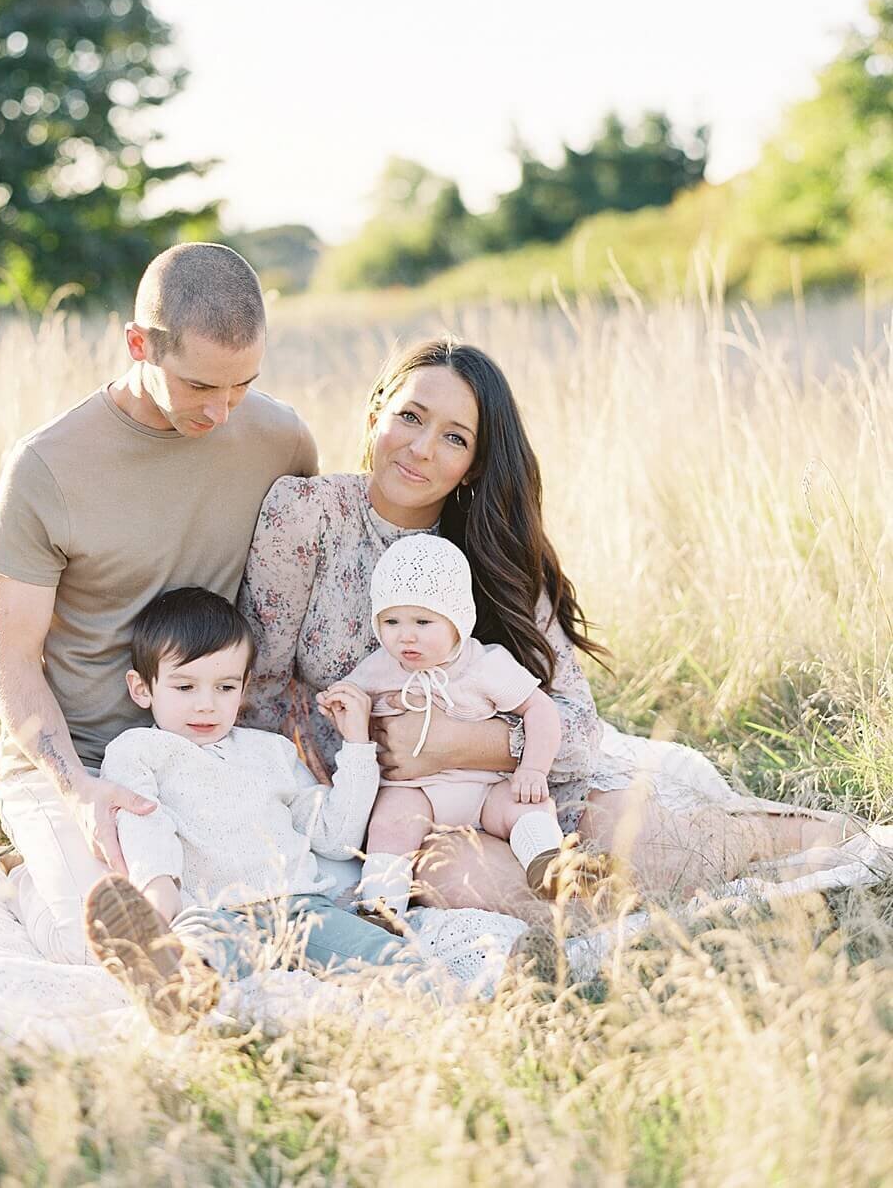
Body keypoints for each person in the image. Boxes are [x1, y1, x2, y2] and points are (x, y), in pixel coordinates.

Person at [239, 337, 854, 918]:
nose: (422, 448)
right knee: (458, 880)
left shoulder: (492, 550)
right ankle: (617, 931)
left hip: (509, 789)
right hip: (382, 802)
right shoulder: (307, 515)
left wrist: (454, 744)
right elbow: (258, 692)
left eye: (455, 438)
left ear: (475, 465)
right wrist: (343, 777)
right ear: (377, 412)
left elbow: (578, 727)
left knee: (646, 844)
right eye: (410, 417)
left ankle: (841, 838)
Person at [0, 243, 318, 964]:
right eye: (200, 386)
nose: (224, 412)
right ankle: (37, 872)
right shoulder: (46, 466)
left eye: (243, 384)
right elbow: (13, 661)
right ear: (138, 343)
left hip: (212, 750)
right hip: (81, 759)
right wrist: (76, 791)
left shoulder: (280, 436)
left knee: (265, 921)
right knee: (102, 948)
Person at [84, 586, 436, 1029]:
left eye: (225, 687)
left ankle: (492, 1012)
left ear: (244, 688)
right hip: (217, 912)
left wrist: (358, 745)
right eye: (185, 686)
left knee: (399, 962)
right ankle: (171, 985)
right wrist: (157, 898)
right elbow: (142, 820)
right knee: (196, 952)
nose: (206, 703)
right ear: (142, 688)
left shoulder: (272, 751)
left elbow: (335, 837)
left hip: (304, 909)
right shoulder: (140, 749)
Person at [320, 533, 573, 929]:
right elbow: (358, 710)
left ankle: (550, 864)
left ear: (457, 621)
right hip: (417, 793)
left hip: (486, 788)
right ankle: (381, 908)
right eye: (391, 621)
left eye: (423, 621)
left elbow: (540, 708)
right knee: (389, 823)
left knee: (525, 803)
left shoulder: (484, 665)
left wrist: (533, 768)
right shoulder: (378, 668)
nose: (406, 636)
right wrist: (343, 706)